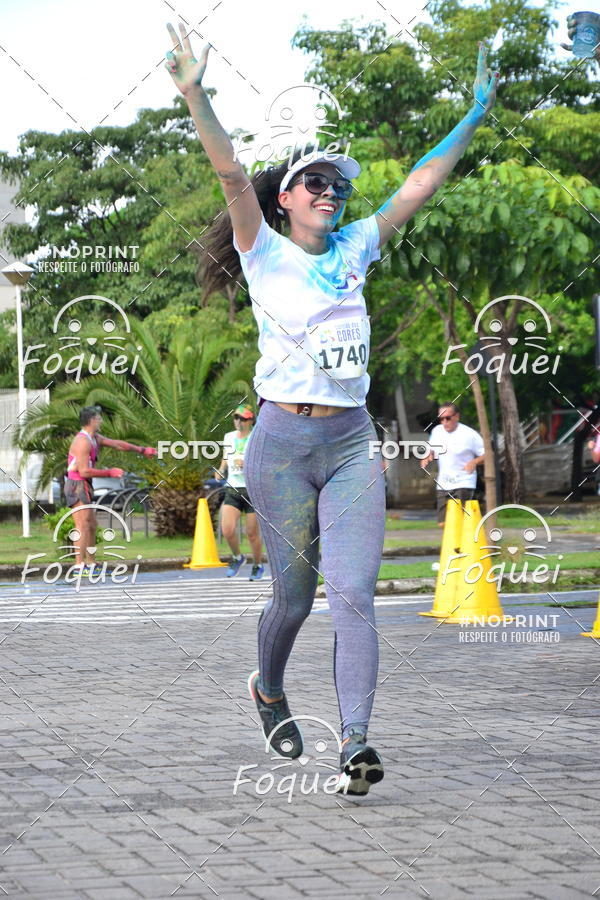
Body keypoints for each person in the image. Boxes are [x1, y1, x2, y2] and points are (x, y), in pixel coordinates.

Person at [165, 24, 498, 794]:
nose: (329, 193)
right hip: (280, 445)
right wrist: (193, 94)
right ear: (285, 201)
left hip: (351, 445)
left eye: (337, 185)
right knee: (293, 597)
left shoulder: (357, 246)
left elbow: (419, 181)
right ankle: (268, 687)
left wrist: (473, 116)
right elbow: (230, 174)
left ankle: (355, 741)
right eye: (313, 183)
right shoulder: (263, 248)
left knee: (354, 592)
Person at [65, 406, 157, 574]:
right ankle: (79, 566)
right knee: (82, 525)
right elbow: (84, 470)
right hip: (76, 485)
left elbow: (116, 444)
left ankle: (91, 564)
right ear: (91, 421)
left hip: (85, 485)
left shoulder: (94, 438)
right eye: (98, 418)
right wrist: (110, 472)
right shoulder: (82, 442)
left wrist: (142, 450)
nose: (101, 421)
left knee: (91, 524)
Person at [216, 404, 264, 580]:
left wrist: (248, 464)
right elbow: (226, 456)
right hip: (233, 489)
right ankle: (238, 557)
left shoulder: (256, 437)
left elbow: (265, 462)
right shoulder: (228, 437)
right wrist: (221, 469)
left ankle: (258, 565)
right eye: (236, 417)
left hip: (252, 490)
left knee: (252, 534)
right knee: (227, 530)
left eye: (243, 418)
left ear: (251, 420)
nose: (239, 421)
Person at [421, 403, 485, 527]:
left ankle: (462, 545)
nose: (444, 422)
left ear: (457, 417)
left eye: (448, 418)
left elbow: (487, 454)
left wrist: (474, 462)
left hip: (464, 481)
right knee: (442, 522)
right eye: (441, 419)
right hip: (443, 483)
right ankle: (452, 545)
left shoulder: (470, 434)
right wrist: (427, 456)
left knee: (459, 518)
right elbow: (431, 449)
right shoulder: (437, 431)